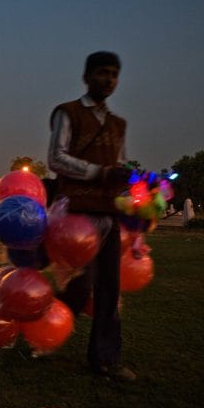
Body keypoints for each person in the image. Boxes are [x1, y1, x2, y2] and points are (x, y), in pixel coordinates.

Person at [47, 52, 136, 381]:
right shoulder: (67, 113)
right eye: (102, 73)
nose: (108, 79)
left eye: (114, 74)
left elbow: (120, 167)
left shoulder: (118, 125)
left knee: (109, 289)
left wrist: (135, 202)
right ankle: (45, 324)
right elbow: (55, 157)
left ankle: (106, 359)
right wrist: (99, 172)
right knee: (79, 287)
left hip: (109, 214)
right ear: (86, 77)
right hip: (77, 214)